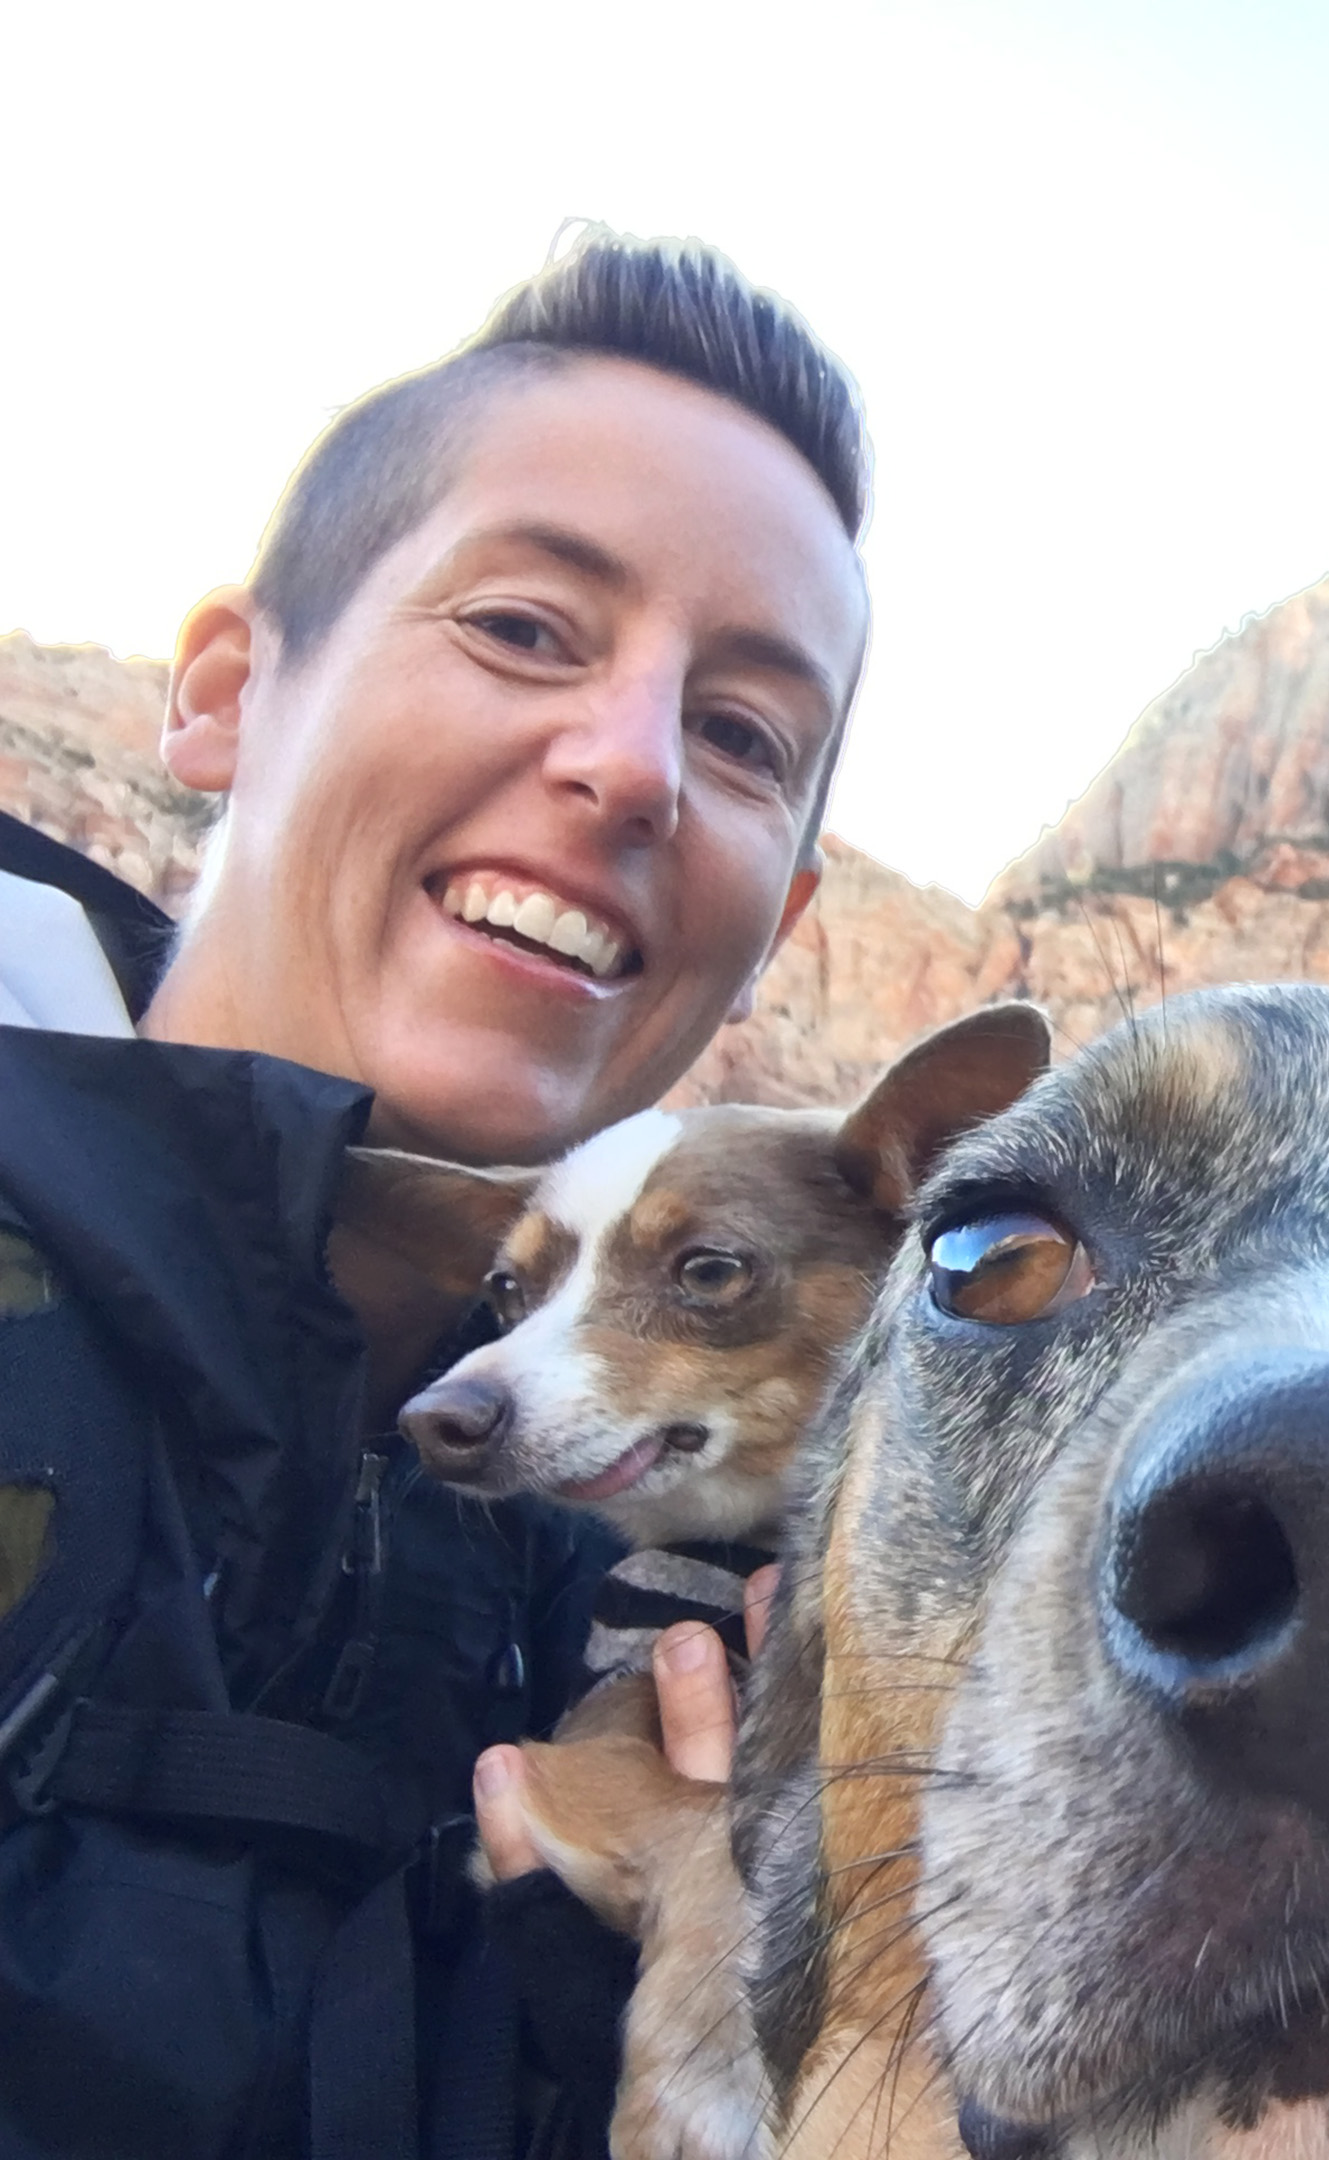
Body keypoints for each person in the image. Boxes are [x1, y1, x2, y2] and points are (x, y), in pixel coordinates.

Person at [0, 229, 866, 2158]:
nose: (629, 766)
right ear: (224, 692)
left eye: (740, 738)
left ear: (780, 916)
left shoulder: (654, 1578)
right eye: (528, 629)